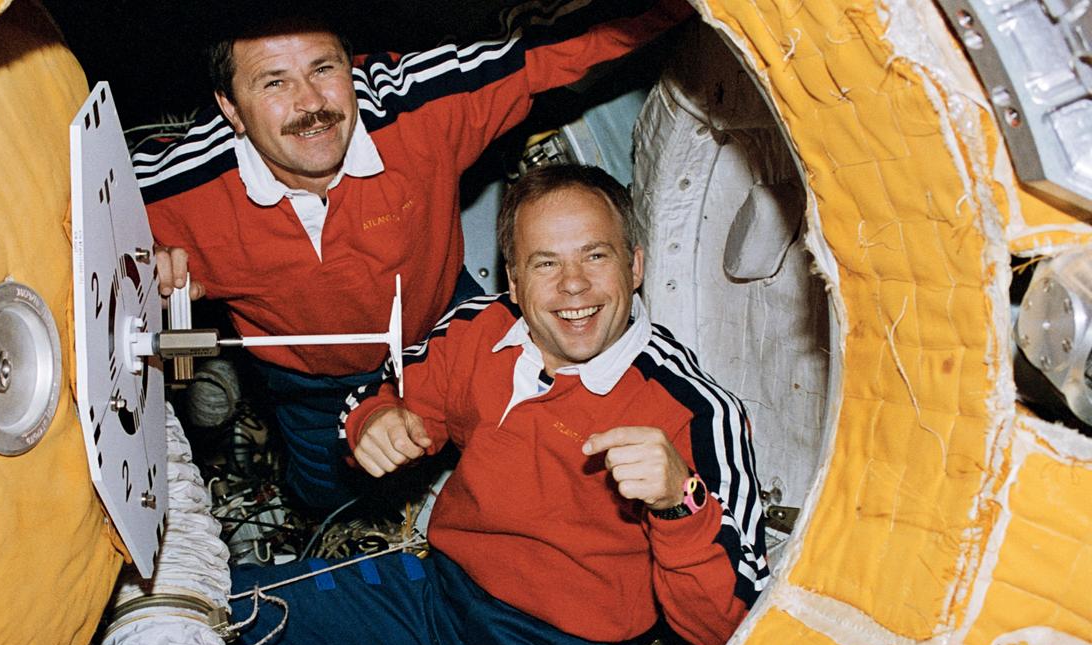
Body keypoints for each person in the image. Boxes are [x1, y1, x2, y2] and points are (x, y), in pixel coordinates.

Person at [224, 164, 769, 645]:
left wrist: (677, 501)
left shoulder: (696, 412)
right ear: (514, 280)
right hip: (442, 591)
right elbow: (391, 394)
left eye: (596, 256)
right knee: (231, 615)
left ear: (635, 266)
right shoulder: (482, 331)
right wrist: (378, 423)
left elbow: (729, 632)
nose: (573, 285)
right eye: (545, 263)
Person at [133, 0, 692, 510]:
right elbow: (72, 216)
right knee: (328, 496)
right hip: (309, 382)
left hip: (446, 331)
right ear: (230, 107)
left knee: (516, 451)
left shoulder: (419, 106)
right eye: (274, 83)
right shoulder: (179, 187)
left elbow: (559, 47)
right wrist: (137, 263)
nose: (310, 104)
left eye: (324, 69)